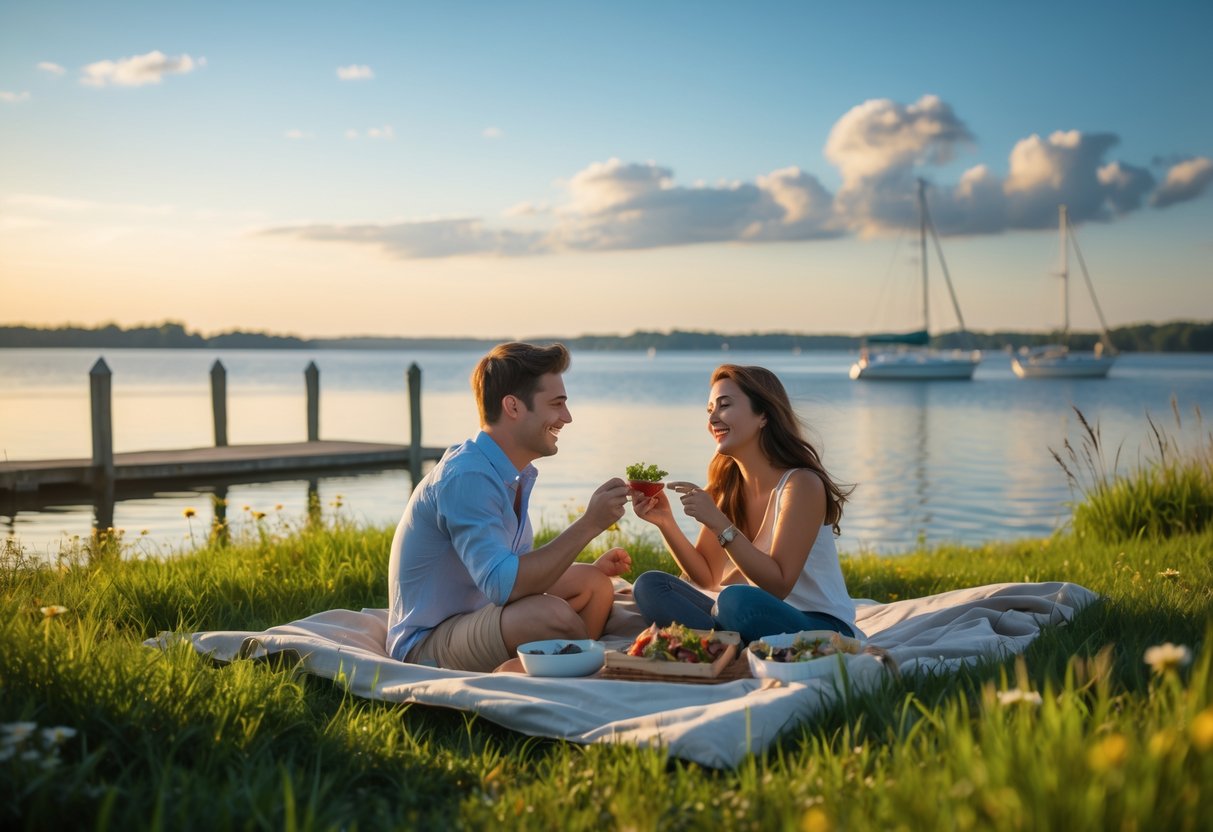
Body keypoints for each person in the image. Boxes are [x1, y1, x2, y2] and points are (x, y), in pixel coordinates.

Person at [386, 342, 632, 672]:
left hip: (479, 611)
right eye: (557, 404)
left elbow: (510, 576)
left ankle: (555, 666)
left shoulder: (508, 474)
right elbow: (506, 585)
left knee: (594, 583)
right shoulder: (466, 476)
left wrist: (581, 564)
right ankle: (578, 665)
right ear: (513, 407)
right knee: (550, 616)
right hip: (428, 643)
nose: (567, 417)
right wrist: (589, 524)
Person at [629, 364, 860, 643]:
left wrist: (719, 523)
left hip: (822, 626)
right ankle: (722, 647)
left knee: (735, 601)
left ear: (763, 415)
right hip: (751, 617)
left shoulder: (801, 485)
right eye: (710, 409)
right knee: (651, 586)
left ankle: (716, 643)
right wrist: (665, 521)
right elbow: (706, 576)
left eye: (724, 405)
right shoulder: (729, 488)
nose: (713, 418)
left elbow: (779, 584)